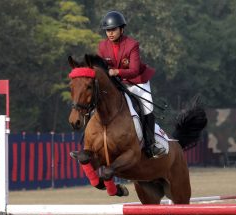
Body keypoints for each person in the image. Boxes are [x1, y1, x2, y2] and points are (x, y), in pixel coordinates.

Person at [71, 11, 165, 159]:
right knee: (94, 103)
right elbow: (101, 68)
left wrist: (117, 71)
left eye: (113, 29)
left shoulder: (132, 45)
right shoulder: (102, 46)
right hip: (118, 83)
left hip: (137, 81)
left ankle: (151, 144)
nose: (110, 33)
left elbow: (133, 70)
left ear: (121, 29)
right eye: (108, 30)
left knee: (147, 108)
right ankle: (86, 146)